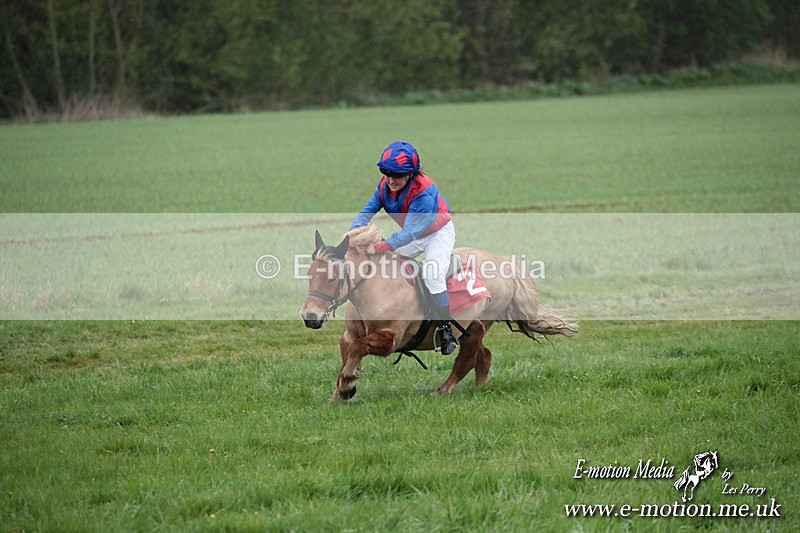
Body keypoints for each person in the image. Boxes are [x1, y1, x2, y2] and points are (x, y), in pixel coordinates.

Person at [350, 141, 459, 355]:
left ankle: (446, 328)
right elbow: (367, 211)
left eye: (397, 175)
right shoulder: (384, 185)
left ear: (410, 174)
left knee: (432, 275)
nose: (391, 180)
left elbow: (409, 233)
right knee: (387, 266)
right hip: (414, 233)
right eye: (387, 173)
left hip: (437, 234)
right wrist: (352, 235)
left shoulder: (423, 193)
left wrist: (380, 246)